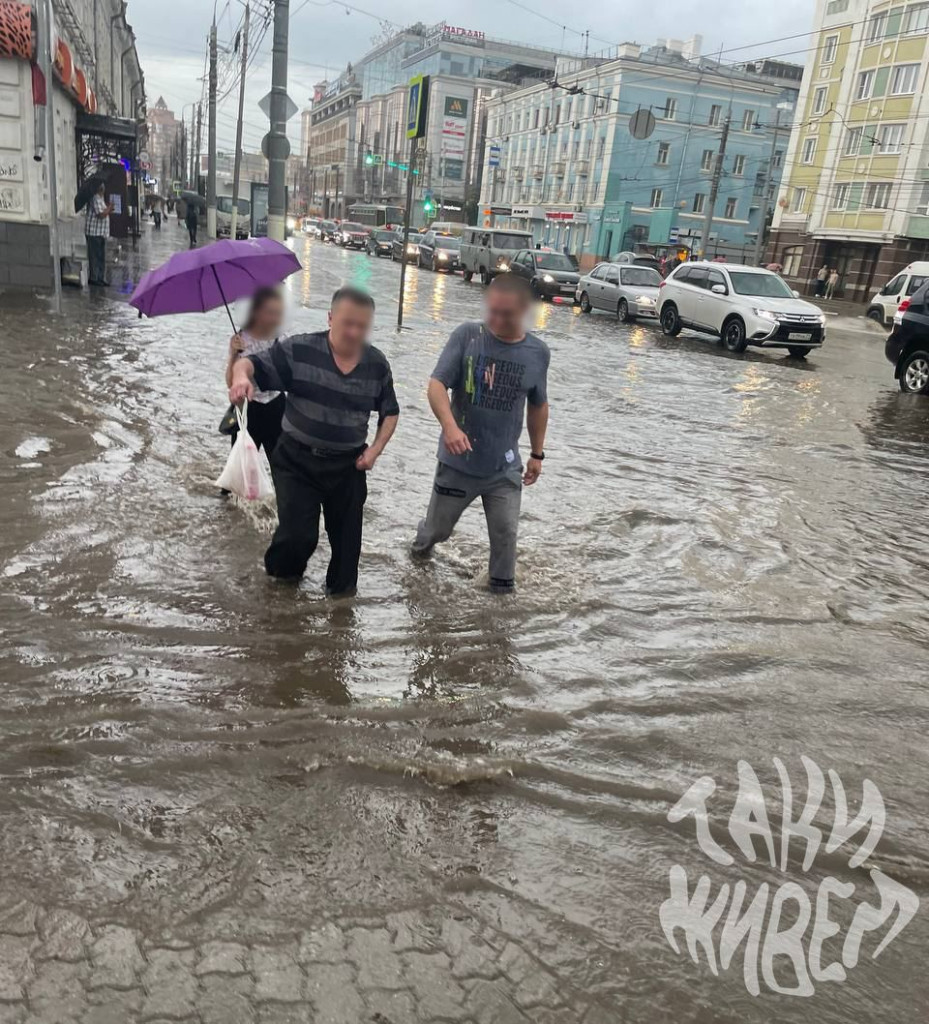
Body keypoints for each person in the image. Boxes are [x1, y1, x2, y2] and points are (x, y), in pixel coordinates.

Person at [228, 287, 400, 596]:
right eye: (348, 323)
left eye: (362, 326)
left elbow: (391, 412)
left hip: (349, 467)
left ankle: (339, 619)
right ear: (331, 318)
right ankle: (277, 594)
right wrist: (241, 377)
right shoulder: (300, 350)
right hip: (297, 461)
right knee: (298, 538)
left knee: (347, 555)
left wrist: (375, 451)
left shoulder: (376, 364)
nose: (354, 332)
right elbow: (250, 364)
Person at [411, 274, 550, 594]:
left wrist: (537, 454)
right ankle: (418, 555)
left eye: (507, 314)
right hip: (458, 462)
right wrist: (450, 427)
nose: (497, 320)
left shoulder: (537, 353)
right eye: (493, 312)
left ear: (524, 311)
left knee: (506, 537)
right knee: (437, 532)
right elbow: (435, 385)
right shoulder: (467, 336)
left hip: (504, 467)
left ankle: (499, 616)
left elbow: (539, 405)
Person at [224, 287, 286, 456]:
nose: (274, 317)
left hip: (276, 406)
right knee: (242, 468)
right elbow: (230, 383)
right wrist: (233, 354)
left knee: (282, 466)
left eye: (277, 312)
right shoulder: (240, 339)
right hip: (247, 407)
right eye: (269, 312)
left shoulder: (282, 338)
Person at [84, 182, 112, 287]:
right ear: (100, 189)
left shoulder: (100, 199)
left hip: (101, 233)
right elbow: (100, 214)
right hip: (94, 233)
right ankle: (94, 278)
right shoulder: (95, 198)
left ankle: (100, 277)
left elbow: (103, 212)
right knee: (95, 256)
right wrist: (109, 208)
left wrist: (108, 209)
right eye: (103, 187)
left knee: (101, 256)